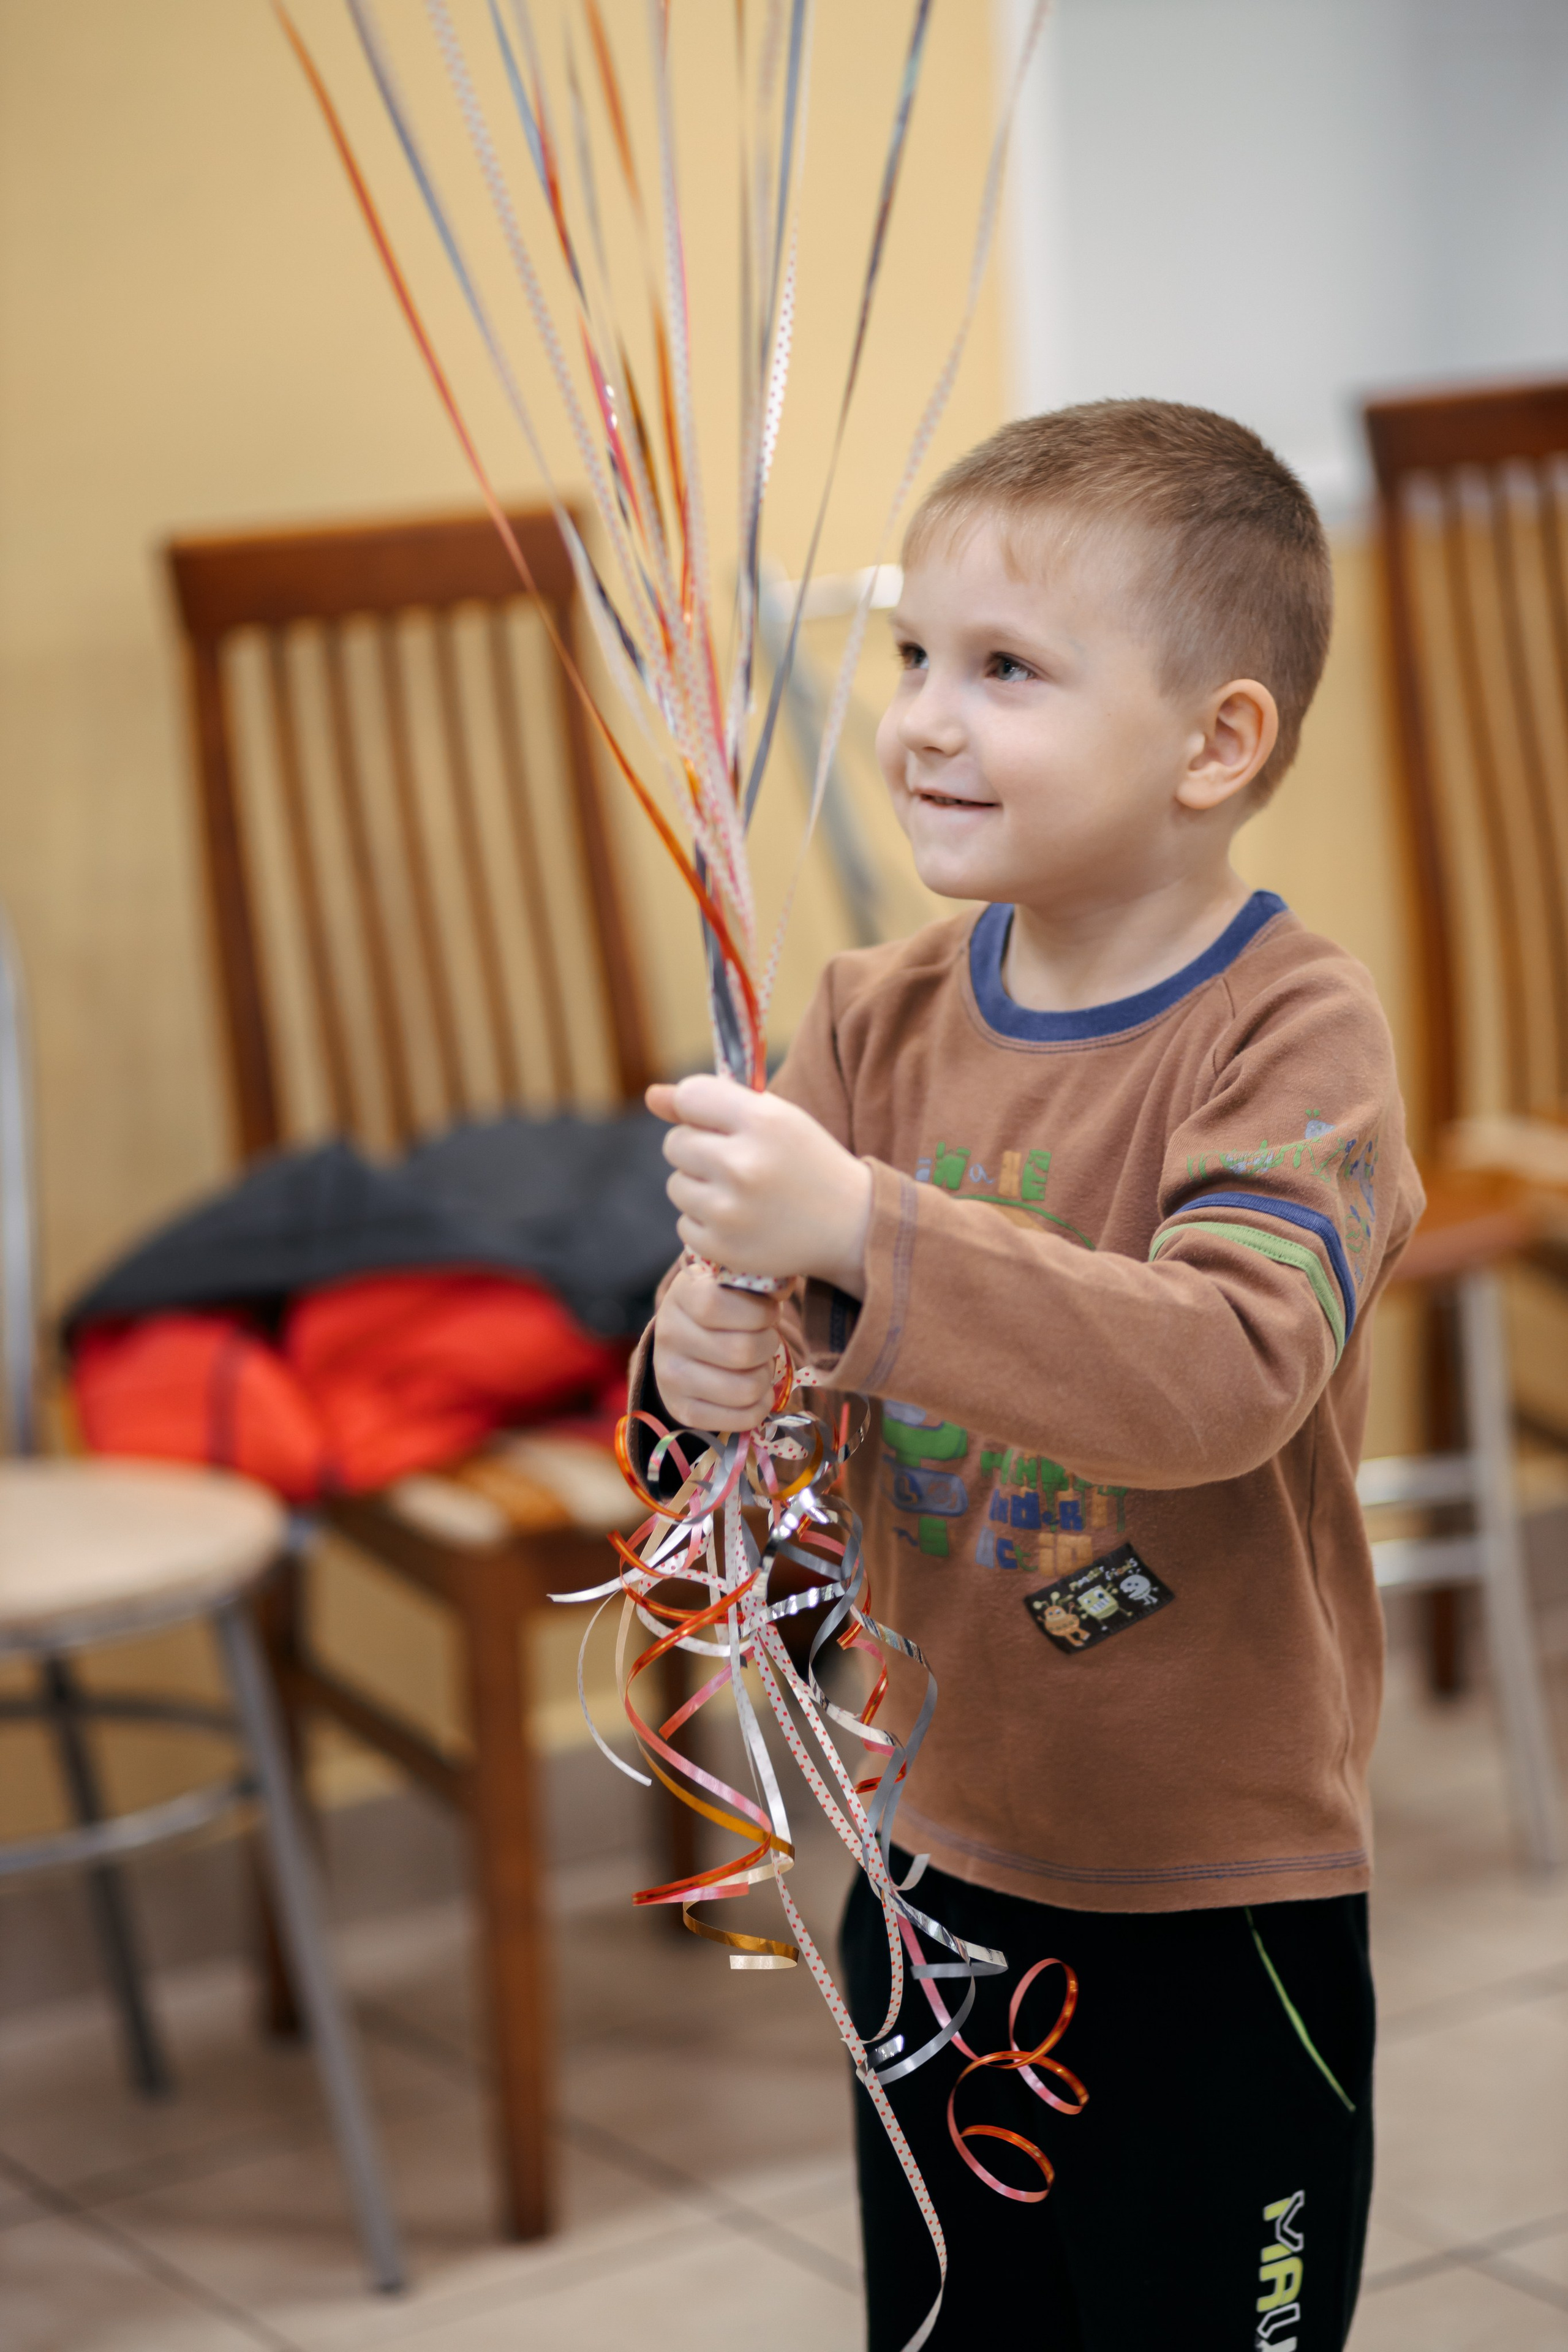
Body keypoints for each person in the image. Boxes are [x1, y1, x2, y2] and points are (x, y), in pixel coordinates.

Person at [639, 399, 1423, 2350]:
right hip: (931, 1864)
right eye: (915, 655)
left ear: (1215, 744)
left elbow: (1228, 1374)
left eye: (1006, 670)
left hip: (1213, 1893)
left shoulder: (1294, 1037)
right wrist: (700, 1353)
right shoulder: (871, 1019)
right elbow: (721, 1419)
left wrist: (860, 1232)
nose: (922, 716)